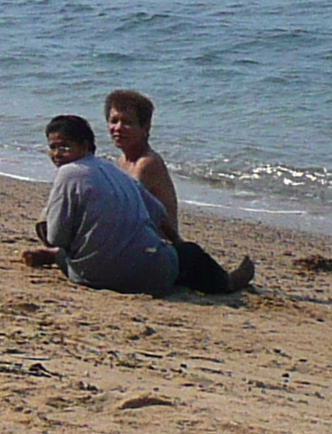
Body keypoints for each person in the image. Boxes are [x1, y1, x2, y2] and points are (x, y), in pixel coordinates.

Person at [105, 89, 256, 295]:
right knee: (190, 254)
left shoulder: (147, 163)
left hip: (154, 244)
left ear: (145, 128)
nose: (118, 128)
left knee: (190, 255)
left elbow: (129, 209)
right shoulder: (124, 162)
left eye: (127, 122)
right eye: (114, 121)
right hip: (146, 247)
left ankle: (225, 281)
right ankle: (225, 281)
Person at [25, 114, 176, 292]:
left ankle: (55, 256)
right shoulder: (114, 170)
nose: (57, 154)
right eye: (53, 148)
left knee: (59, 233)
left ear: (84, 146)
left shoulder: (68, 173)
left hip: (100, 276)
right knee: (185, 257)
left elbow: (56, 237)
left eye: (65, 147)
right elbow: (158, 212)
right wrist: (177, 241)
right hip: (159, 273)